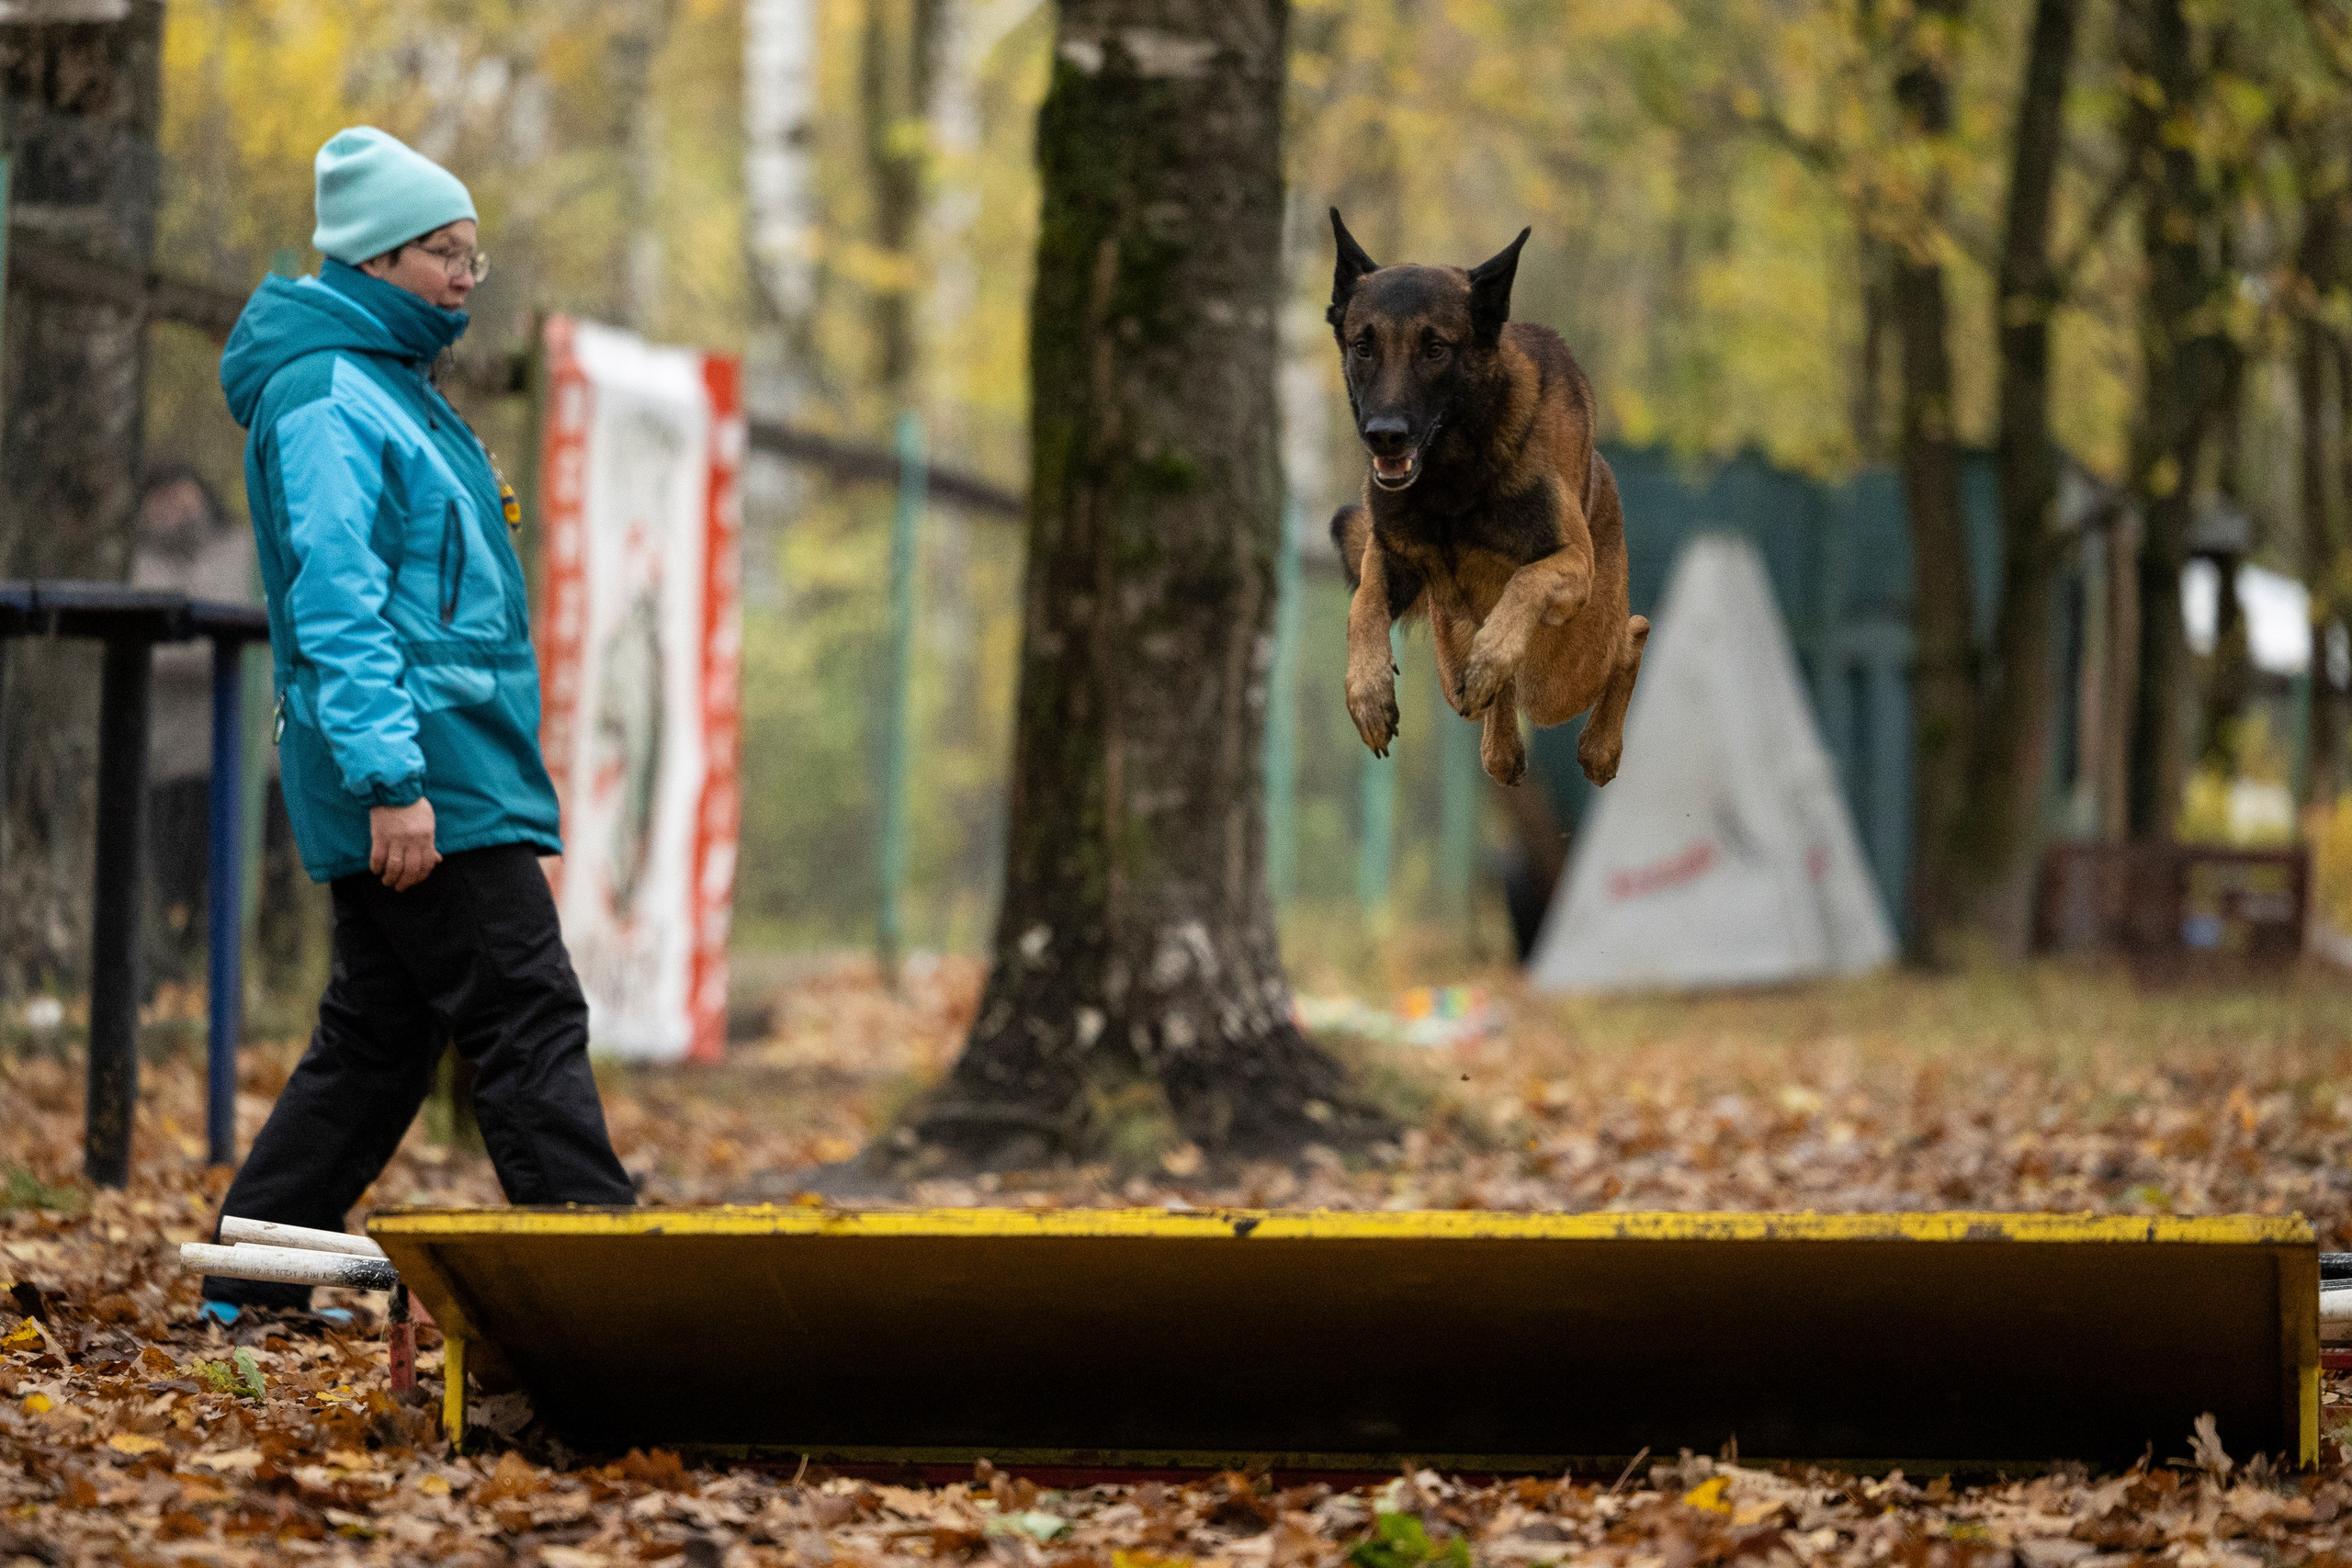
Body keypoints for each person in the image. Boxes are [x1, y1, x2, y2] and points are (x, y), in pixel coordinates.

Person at [204, 127, 635, 1316]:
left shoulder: (397, 389)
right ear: (377, 256)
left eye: (473, 256)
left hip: (455, 766)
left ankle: (250, 1277)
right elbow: (334, 601)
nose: (465, 274)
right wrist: (392, 778)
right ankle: (611, 1282)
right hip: (420, 780)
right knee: (523, 1008)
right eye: (447, 252)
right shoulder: (327, 396)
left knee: (381, 1039)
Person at [129, 463, 259, 990]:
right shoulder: (136, 560)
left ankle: (259, 988)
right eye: (159, 493)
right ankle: (187, 995)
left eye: (182, 489)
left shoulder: (245, 546)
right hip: (176, 761)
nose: (174, 504)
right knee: (181, 896)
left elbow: (257, 616)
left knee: (266, 889)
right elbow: (159, 648)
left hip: (257, 763)